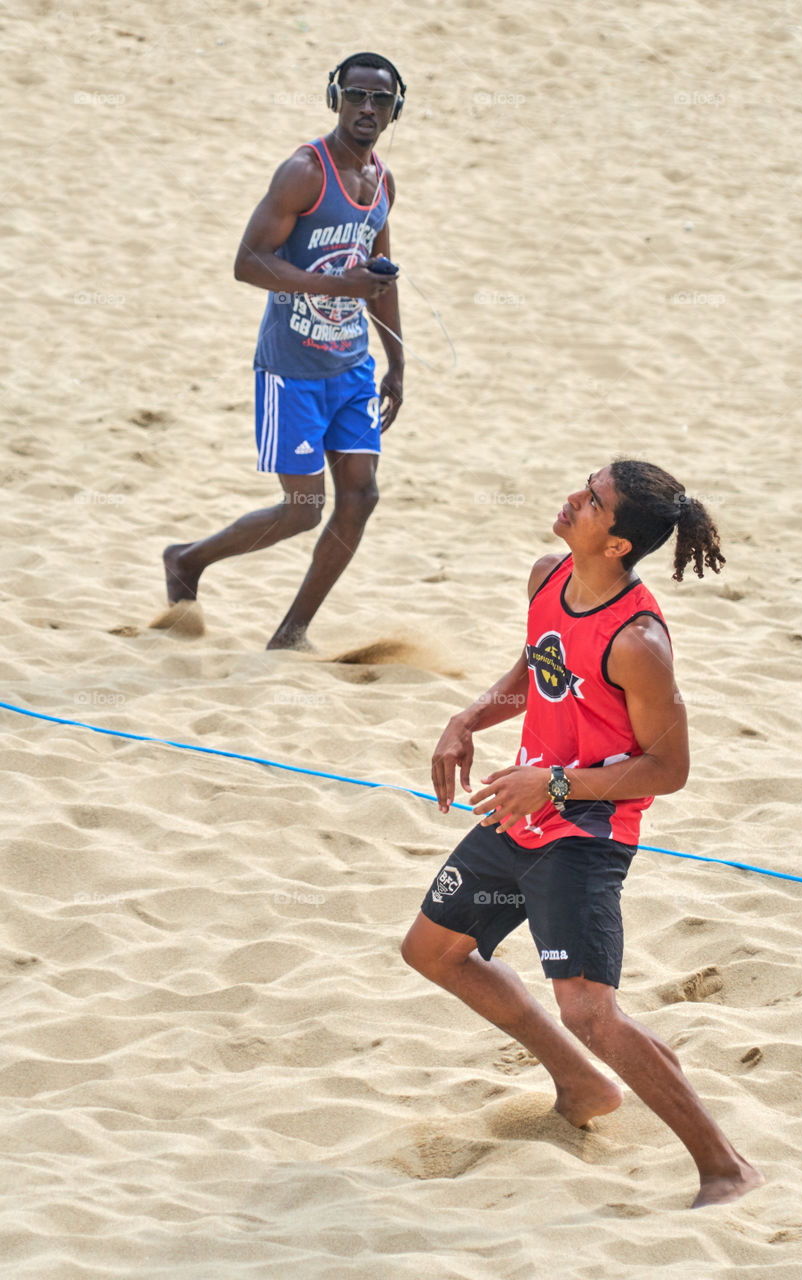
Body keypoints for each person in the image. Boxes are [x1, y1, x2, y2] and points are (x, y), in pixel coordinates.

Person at [402, 460, 764, 1208]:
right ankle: (582, 1081)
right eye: (584, 486)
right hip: (522, 805)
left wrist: (557, 782)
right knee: (432, 951)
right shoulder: (547, 576)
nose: (572, 500)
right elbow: (538, 668)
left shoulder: (638, 643)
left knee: (589, 1010)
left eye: (591, 501)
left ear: (617, 544)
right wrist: (467, 717)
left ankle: (725, 1166)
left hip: (586, 829)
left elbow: (667, 767)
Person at [160, 52, 405, 649]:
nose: (366, 108)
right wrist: (333, 286)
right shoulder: (304, 172)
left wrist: (397, 360)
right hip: (291, 369)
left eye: (379, 99)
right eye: (355, 95)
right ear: (335, 99)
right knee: (301, 509)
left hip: (350, 365)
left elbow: (380, 276)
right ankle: (187, 561)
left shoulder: (381, 183)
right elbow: (247, 263)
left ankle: (291, 634)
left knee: (361, 497)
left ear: (396, 108)